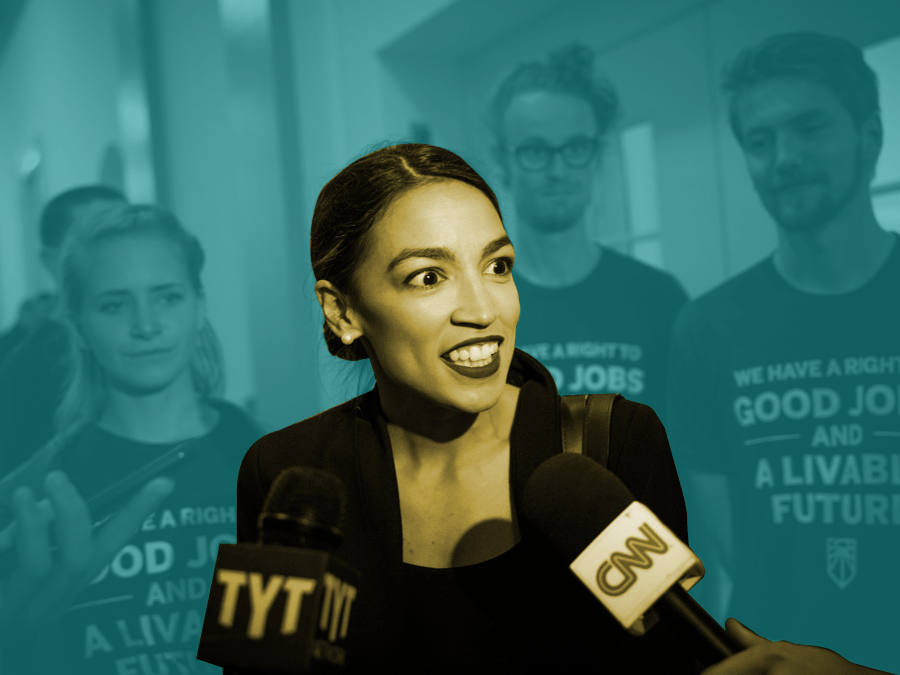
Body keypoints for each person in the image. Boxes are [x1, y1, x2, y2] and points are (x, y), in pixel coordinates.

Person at [235, 143, 697, 673]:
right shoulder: (284, 472)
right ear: (342, 310)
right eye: (429, 277)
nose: (484, 311)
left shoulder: (613, 444)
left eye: (497, 266)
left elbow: (669, 662)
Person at [667, 32, 899, 673]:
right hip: (768, 660)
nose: (784, 157)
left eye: (810, 127)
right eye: (760, 141)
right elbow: (740, 546)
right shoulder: (706, 328)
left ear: (870, 135)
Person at [0, 204, 262, 674]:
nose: (145, 326)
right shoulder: (39, 488)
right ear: (78, 325)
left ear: (199, 305)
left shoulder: (263, 459)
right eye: (114, 305)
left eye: (167, 298)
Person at [487, 44, 688, 419]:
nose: (558, 170)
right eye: (535, 150)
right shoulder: (475, 307)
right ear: (502, 161)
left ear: (596, 155)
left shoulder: (658, 299)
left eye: (576, 147)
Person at [0, 185, 127, 477]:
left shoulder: (147, 339)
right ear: (51, 261)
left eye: (127, 232)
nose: (122, 251)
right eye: (98, 239)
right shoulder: (25, 374)